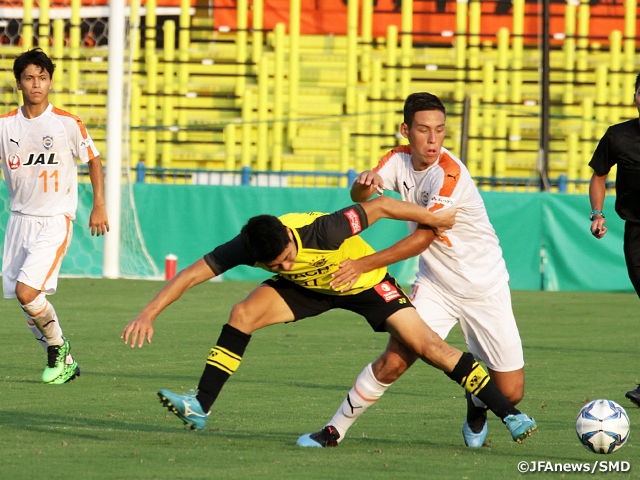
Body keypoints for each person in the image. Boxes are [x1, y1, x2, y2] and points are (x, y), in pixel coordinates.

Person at [121, 195, 536, 444]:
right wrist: (148, 311)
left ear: (289, 236)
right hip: (312, 289)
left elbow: (382, 205)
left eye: (287, 255)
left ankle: (510, 415)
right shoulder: (248, 245)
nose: (287, 261)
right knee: (243, 313)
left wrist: (434, 219)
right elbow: (192, 274)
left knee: (430, 348)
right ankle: (200, 406)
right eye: (278, 263)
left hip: (364, 283)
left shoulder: (324, 230)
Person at [297, 92, 526, 449]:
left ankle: (476, 404)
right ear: (406, 130)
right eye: (423, 130)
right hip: (435, 286)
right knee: (394, 361)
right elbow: (362, 196)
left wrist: (362, 264)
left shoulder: (449, 175)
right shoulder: (398, 159)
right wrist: (365, 181)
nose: (433, 139)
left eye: (440, 130)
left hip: (485, 286)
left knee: (511, 392)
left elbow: (423, 239)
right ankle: (333, 430)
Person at [1, 48, 109, 384]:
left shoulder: (67, 123)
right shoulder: (4, 126)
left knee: (26, 293)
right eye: (30, 78)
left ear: (50, 82)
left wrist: (99, 205)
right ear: (19, 82)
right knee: (27, 300)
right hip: (18, 220)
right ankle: (66, 359)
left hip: (54, 219)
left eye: (43, 78)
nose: (37, 84)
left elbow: (93, 160)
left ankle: (57, 349)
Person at [588, 72, 640, 408]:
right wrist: (597, 214)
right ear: (636, 96)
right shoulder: (618, 136)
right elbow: (599, 176)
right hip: (637, 232)